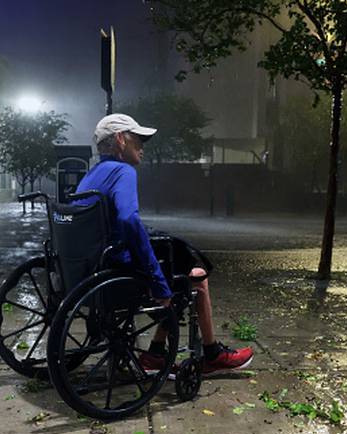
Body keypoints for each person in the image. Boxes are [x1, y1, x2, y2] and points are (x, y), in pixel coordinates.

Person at [72, 113, 253, 374]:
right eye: (138, 140)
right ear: (121, 140)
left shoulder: (91, 176)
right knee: (195, 277)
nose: (143, 147)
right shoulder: (123, 171)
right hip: (116, 272)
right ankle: (212, 353)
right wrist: (157, 281)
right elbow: (128, 220)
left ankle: (156, 353)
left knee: (175, 266)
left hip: (90, 268)